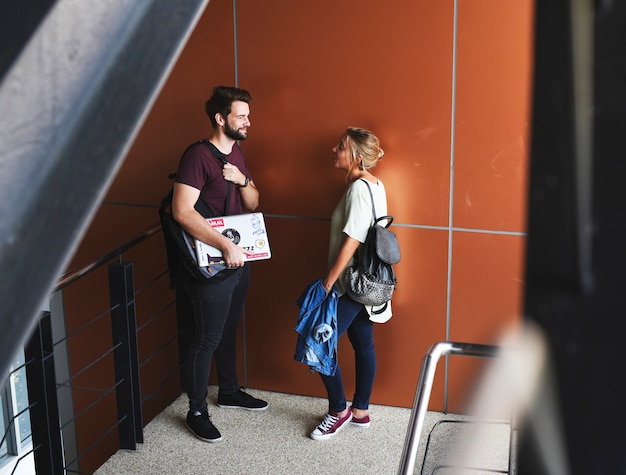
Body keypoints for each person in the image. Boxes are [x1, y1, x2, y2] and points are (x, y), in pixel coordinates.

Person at [172, 85, 268, 444]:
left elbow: (254, 201)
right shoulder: (197, 156)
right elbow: (181, 211)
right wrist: (225, 245)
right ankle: (196, 411)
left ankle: (228, 391)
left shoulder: (237, 153)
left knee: (227, 329)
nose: (248, 121)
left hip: (237, 261)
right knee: (206, 338)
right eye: (241, 115)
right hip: (210, 263)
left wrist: (241, 179)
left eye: (247, 115)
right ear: (220, 118)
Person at [310, 126, 388, 441]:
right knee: (363, 343)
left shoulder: (358, 189)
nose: (333, 149)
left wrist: (328, 283)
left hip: (350, 285)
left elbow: (353, 240)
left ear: (355, 156)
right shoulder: (376, 184)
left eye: (340, 146)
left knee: (318, 343)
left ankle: (339, 410)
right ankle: (360, 411)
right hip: (369, 282)